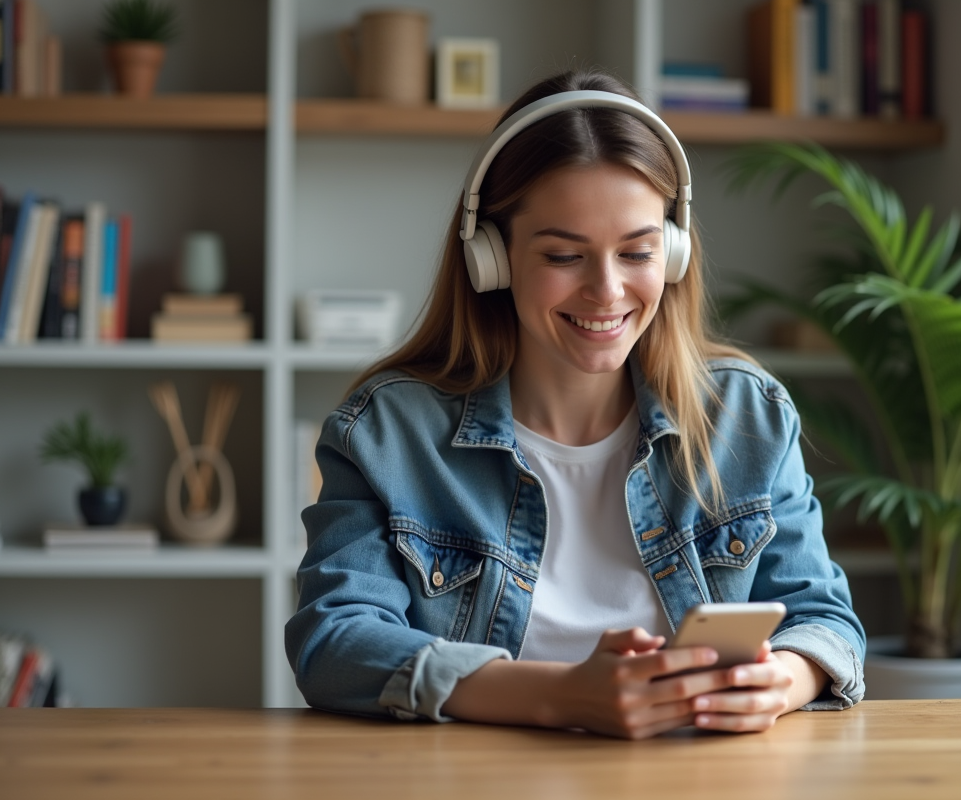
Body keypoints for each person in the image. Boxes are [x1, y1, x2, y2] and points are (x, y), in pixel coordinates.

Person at [286, 69, 865, 740]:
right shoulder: (388, 432)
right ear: (491, 257)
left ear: (674, 253)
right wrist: (561, 697)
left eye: (638, 252)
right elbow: (335, 639)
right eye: (564, 255)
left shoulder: (746, 416)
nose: (607, 290)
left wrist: (782, 681)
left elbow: (825, 620)